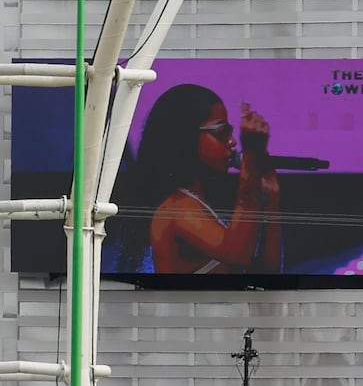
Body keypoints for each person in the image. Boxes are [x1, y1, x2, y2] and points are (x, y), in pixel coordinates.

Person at [115, 85, 282, 275]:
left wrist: (271, 204)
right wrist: (250, 161)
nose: (232, 142)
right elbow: (238, 254)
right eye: (222, 132)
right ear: (186, 136)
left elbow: (268, 274)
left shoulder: (197, 203)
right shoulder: (177, 208)